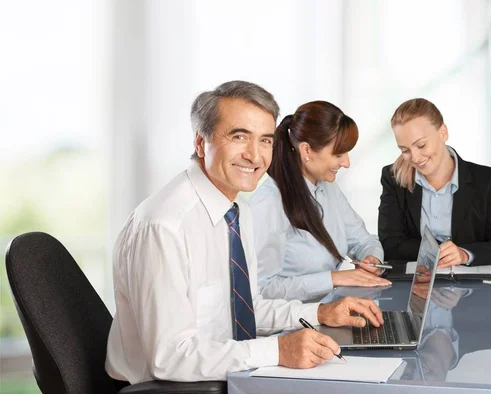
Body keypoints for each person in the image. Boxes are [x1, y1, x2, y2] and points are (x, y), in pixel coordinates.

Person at [105, 81, 384, 384]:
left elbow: (248, 310)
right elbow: (171, 357)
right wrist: (277, 350)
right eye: (239, 136)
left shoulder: (237, 212)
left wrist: (322, 313)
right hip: (170, 388)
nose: (255, 155)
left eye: (265, 141)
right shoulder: (164, 225)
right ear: (201, 142)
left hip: (223, 374)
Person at [249, 101, 390, 302]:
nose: (346, 163)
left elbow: (363, 240)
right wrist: (334, 279)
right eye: (339, 154)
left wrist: (372, 259)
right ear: (306, 150)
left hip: (330, 311)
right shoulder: (268, 203)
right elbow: (262, 289)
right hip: (292, 326)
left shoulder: (328, 187)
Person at [378, 98, 491, 269]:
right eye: (405, 150)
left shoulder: (487, 180)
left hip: (472, 288)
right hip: (417, 284)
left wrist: (463, 254)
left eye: (421, 145)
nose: (414, 158)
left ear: (443, 132)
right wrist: (438, 252)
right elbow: (390, 243)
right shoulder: (393, 178)